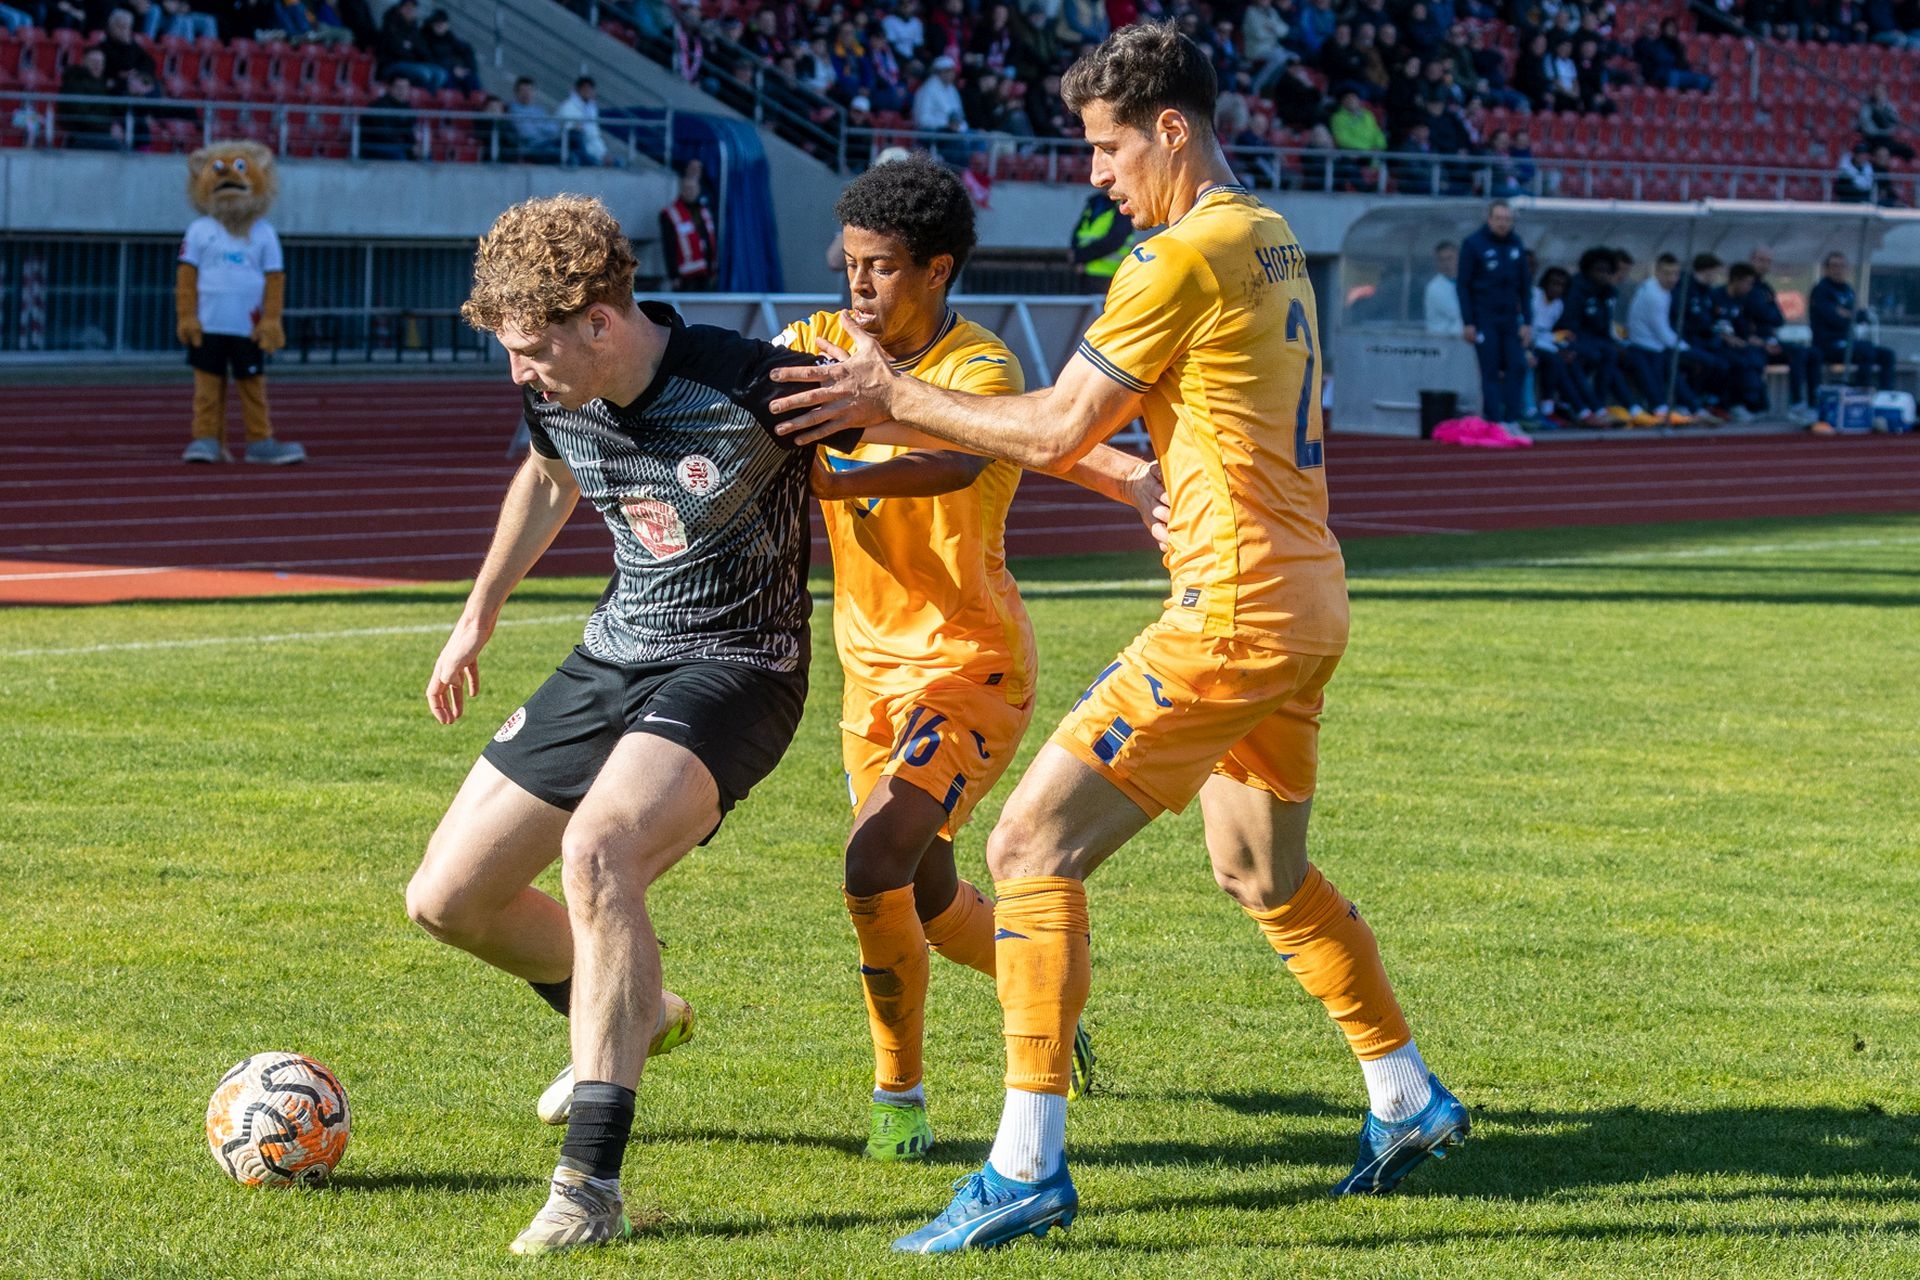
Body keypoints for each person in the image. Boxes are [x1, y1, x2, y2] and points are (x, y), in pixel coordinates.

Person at [768, 22, 1467, 1254]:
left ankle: (1026, 1165)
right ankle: (1406, 1094)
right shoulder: (1272, 234)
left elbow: (1050, 429)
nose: (1095, 172)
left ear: (1172, 131)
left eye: (1106, 146)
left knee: (1031, 842)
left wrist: (889, 396)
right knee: (1262, 872)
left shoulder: (1178, 257)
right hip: (1307, 601)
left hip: (1233, 608)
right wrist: (1156, 479)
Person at [409, 194, 863, 1256]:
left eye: (530, 350)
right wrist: (477, 616)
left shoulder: (750, 380)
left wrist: (1113, 467)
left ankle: (590, 1187)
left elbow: (915, 415)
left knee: (599, 851)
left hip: (741, 666)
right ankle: (637, 1007)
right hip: (615, 649)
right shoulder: (556, 392)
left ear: (598, 324)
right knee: (446, 897)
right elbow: (549, 476)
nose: (520, 371)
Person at [776, 155, 1148, 1164]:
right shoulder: (810, 343)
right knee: (932, 903)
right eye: (849, 263)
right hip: (870, 674)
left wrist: (842, 441)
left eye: (883, 267)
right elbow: (758, 411)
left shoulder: (978, 371)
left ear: (937, 270)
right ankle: (1048, 988)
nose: (857, 286)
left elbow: (953, 456)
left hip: (970, 667)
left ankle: (898, 1093)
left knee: (871, 858)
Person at [1455, 200, 1530, 428]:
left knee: (1517, 365)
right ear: (1489, 219)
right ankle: (1495, 420)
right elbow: (1463, 285)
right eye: (1498, 218)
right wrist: (1468, 322)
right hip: (1484, 317)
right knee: (1490, 368)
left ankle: (1512, 418)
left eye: (1507, 219)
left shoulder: (1516, 244)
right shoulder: (1473, 244)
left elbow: (1524, 286)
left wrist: (1527, 321)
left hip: (1509, 318)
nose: (1502, 223)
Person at [1740, 247, 1815, 423]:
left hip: (1770, 339)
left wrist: (1767, 314)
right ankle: (1754, 405)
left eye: (1768, 261)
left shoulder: (1766, 288)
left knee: (1809, 353)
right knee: (1751, 359)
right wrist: (1766, 314)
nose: (1764, 265)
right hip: (1751, 341)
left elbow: (1778, 318)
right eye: (1761, 260)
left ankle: (1804, 403)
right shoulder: (1746, 288)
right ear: (1752, 260)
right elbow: (1757, 312)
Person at [1624, 253, 1700, 424]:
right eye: (1667, 273)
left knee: (1675, 364)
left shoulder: (1658, 289)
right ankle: (1663, 408)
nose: (1672, 278)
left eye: (1675, 274)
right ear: (1657, 272)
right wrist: (1686, 348)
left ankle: (1690, 406)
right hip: (1642, 346)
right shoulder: (1654, 294)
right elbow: (1662, 331)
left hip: (1653, 345)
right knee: (1679, 360)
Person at [1809, 251, 1897, 391]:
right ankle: (1861, 393)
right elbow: (1833, 318)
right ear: (1826, 269)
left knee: (1887, 355)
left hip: (1849, 341)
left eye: (1842, 266)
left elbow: (1862, 316)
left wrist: (1847, 314)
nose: (1838, 270)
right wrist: (1849, 315)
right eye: (1834, 266)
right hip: (1828, 343)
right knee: (1865, 351)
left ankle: (1885, 395)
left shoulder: (1848, 290)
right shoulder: (1821, 290)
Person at [658, 158, 719, 292]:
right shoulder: (670, 214)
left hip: (704, 273)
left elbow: (710, 240)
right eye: (686, 188)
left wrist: (713, 270)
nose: (689, 192)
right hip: (684, 276)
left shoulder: (703, 211)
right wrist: (673, 274)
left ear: (698, 190)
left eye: (692, 189)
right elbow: (669, 246)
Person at [1069, 186, 1134, 288]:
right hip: (1085, 272)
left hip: (1108, 275)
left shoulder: (1124, 207)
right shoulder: (1094, 202)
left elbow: (1113, 241)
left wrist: (1080, 257)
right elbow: (1079, 232)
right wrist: (1076, 257)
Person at [556, 75, 615, 167]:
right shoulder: (568, 107)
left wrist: (604, 154)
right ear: (578, 90)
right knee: (598, 164)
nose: (589, 92)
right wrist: (575, 127)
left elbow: (595, 136)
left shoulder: (592, 109)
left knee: (619, 162)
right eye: (586, 89)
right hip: (577, 150)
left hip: (593, 151)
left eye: (591, 89)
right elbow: (567, 132)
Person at [361, 73, 419, 161]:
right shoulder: (379, 107)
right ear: (390, 88)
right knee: (398, 155)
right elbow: (383, 135)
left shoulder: (407, 107)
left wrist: (414, 145)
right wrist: (407, 147)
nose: (402, 91)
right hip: (374, 145)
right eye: (399, 88)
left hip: (396, 145)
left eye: (405, 88)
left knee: (425, 155)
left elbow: (408, 132)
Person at [506, 75, 562, 163]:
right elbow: (527, 134)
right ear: (516, 92)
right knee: (561, 154)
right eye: (523, 90)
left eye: (529, 90)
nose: (527, 94)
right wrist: (541, 125)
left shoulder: (539, 110)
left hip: (546, 143)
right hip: (530, 147)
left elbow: (554, 129)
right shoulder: (513, 110)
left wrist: (535, 124)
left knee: (573, 140)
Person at [1423, 240, 1461, 336]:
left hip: (1460, 342)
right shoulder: (1435, 288)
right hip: (1442, 342)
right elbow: (1459, 313)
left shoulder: (1467, 281)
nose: (1446, 263)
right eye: (1441, 260)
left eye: (1450, 258)